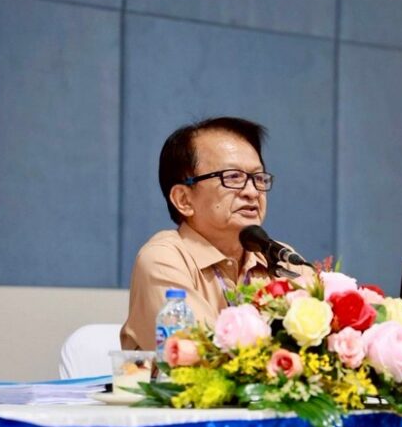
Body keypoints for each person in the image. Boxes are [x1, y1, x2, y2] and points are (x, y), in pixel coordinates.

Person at [120, 117, 307, 350]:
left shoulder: (280, 257)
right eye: (232, 177)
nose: (252, 192)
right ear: (183, 199)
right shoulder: (163, 259)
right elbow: (202, 354)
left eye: (258, 178)